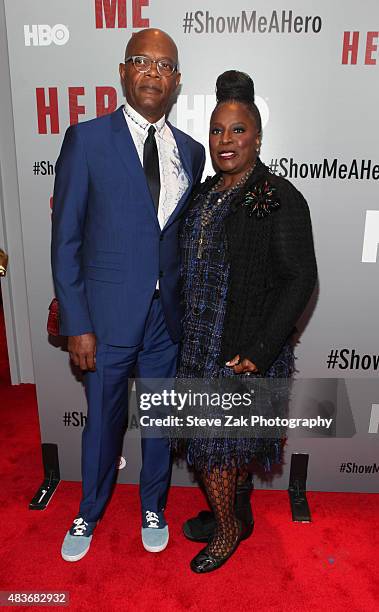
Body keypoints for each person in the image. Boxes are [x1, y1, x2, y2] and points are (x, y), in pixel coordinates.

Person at [51, 28, 205, 562]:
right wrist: (77, 321)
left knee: (161, 421)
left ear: (177, 81)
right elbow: (66, 239)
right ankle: (87, 511)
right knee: (103, 424)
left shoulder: (192, 150)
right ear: (123, 71)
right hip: (107, 318)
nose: (152, 73)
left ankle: (153, 505)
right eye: (141, 61)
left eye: (164, 66)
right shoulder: (87, 139)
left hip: (166, 319)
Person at [175, 70, 317, 573]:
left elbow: (301, 279)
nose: (226, 140)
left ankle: (229, 531)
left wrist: (261, 348)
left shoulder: (281, 198)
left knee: (217, 449)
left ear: (258, 136)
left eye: (238, 130)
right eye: (217, 130)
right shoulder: (205, 193)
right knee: (223, 451)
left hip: (247, 353)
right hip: (199, 347)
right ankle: (235, 513)